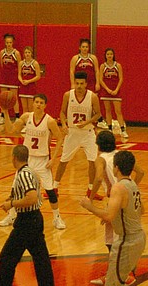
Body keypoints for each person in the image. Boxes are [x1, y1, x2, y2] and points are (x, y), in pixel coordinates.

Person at [79, 150, 148, 286]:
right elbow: (141, 210)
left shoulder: (118, 187)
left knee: (113, 284)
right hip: (137, 237)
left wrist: (89, 207)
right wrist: (117, 214)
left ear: (115, 167)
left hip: (128, 240)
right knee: (115, 277)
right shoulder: (132, 184)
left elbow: (109, 215)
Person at [0, 145, 57, 286]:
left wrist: (11, 203)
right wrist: (10, 199)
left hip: (27, 221)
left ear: (14, 157)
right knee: (41, 260)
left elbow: (32, 197)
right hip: (34, 219)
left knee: (7, 256)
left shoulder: (23, 175)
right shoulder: (30, 171)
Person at [1, 94, 66, 230]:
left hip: (43, 160)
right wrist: (5, 112)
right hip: (27, 160)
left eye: (41, 102)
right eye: (36, 102)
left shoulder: (50, 121)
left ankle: (57, 218)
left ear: (45, 105)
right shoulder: (26, 117)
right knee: (15, 188)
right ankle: (12, 215)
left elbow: (60, 138)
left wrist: (53, 159)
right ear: (33, 103)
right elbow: (11, 131)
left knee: (50, 191)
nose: (38, 104)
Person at [88, 131, 144, 286]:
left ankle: (120, 273)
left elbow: (98, 178)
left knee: (114, 239)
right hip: (126, 198)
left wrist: (90, 198)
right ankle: (122, 270)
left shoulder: (101, 159)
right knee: (114, 235)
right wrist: (131, 188)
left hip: (116, 199)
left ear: (98, 145)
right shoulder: (121, 155)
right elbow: (140, 172)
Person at [54, 70, 102, 200]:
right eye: (77, 83)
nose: (79, 86)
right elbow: (62, 112)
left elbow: (98, 114)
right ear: (74, 83)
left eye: (82, 83)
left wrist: (86, 122)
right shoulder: (67, 95)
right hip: (72, 132)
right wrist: (63, 125)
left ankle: (91, 190)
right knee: (63, 160)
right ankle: (54, 188)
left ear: (86, 84)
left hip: (87, 133)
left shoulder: (92, 97)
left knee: (92, 161)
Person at [69, 38, 105, 128]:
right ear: (79, 48)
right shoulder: (75, 58)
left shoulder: (93, 58)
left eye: (86, 47)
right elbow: (71, 71)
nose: (85, 48)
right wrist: (72, 84)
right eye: (83, 47)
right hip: (79, 84)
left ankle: (97, 119)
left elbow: (97, 71)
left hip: (91, 83)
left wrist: (97, 83)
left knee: (93, 101)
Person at [99, 48, 129, 139]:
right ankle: (110, 129)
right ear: (105, 55)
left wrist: (116, 89)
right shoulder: (102, 66)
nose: (109, 56)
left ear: (113, 55)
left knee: (118, 111)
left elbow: (121, 78)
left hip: (116, 91)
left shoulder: (118, 65)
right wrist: (107, 89)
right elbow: (100, 79)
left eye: (111, 54)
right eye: (108, 54)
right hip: (106, 91)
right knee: (108, 111)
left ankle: (123, 130)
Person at [0, 33, 21, 124]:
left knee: (14, 97)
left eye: (10, 42)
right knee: (3, 97)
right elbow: (1, 64)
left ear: (13, 43)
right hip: (4, 76)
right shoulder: (2, 52)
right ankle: (3, 116)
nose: (8, 44)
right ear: (5, 43)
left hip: (13, 77)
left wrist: (18, 77)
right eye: (7, 42)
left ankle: (17, 116)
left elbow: (20, 65)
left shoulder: (16, 53)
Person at [17, 46, 41, 119]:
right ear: (24, 54)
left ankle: (31, 122)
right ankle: (25, 123)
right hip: (23, 86)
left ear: (31, 54)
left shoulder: (35, 63)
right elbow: (19, 75)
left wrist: (29, 81)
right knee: (24, 108)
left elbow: (38, 76)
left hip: (31, 87)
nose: (27, 54)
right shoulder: (21, 63)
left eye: (29, 52)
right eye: (26, 52)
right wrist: (21, 81)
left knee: (31, 107)